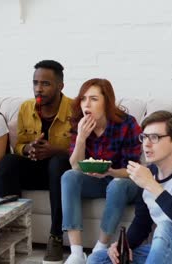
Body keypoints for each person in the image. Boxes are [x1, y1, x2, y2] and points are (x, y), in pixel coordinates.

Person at [88, 110, 172, 264]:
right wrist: (122, 245)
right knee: (98, 259)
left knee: (166, 228)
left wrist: (152, 185)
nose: (146, 144)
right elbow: (142, 222)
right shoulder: (149, 174)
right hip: (167, 251)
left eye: (154, 137)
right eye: (144, 137)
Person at [0, 60, 73, 264]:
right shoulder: (26, 108)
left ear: (60, 86)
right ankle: (11, 230)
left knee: (57, 162)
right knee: (8, 162)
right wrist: (28, 148)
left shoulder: (74, 109)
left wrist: (54, 150)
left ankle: (56, 236)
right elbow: (20, 144)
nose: (38, 88)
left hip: (60, 174)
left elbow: (81, 152)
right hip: (35, 170)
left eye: (45, 84)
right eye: (35, 82)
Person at [61, 78, 142, 264]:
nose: (86, 104)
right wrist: (81, 138)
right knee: (69, 176)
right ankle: (76, 253)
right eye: (83, 99)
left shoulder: (127, 124)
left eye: (93, 99)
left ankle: (101, 247)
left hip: (122, 180)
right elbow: (75, 166)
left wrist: (110, 172)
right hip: (95, 181)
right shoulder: (79, 124)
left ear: (107, 102)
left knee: (117, 185)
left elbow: (132, 170)